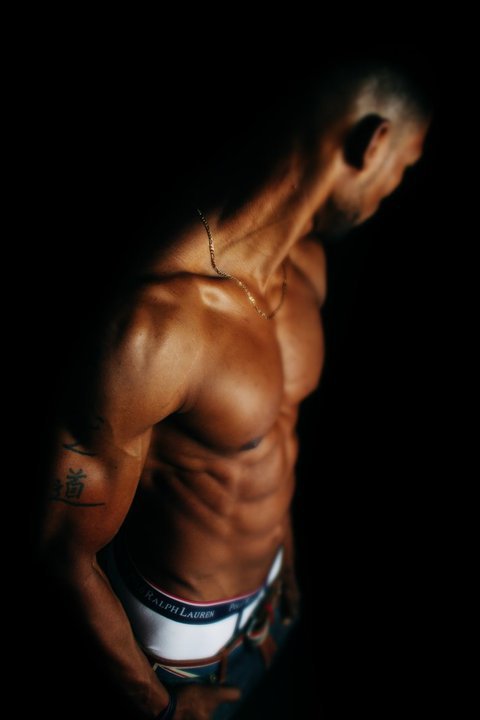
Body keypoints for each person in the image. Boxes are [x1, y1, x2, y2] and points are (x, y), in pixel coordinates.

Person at [39, 59, 431, 720]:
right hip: (174, 666)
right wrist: (161, 707)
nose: (395, 188)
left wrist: (286, 564)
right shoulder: (157, 328)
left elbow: (278, 437)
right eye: (405, 166)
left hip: (277, 607)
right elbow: (61, 549)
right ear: (374, 143)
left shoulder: (307, 264)